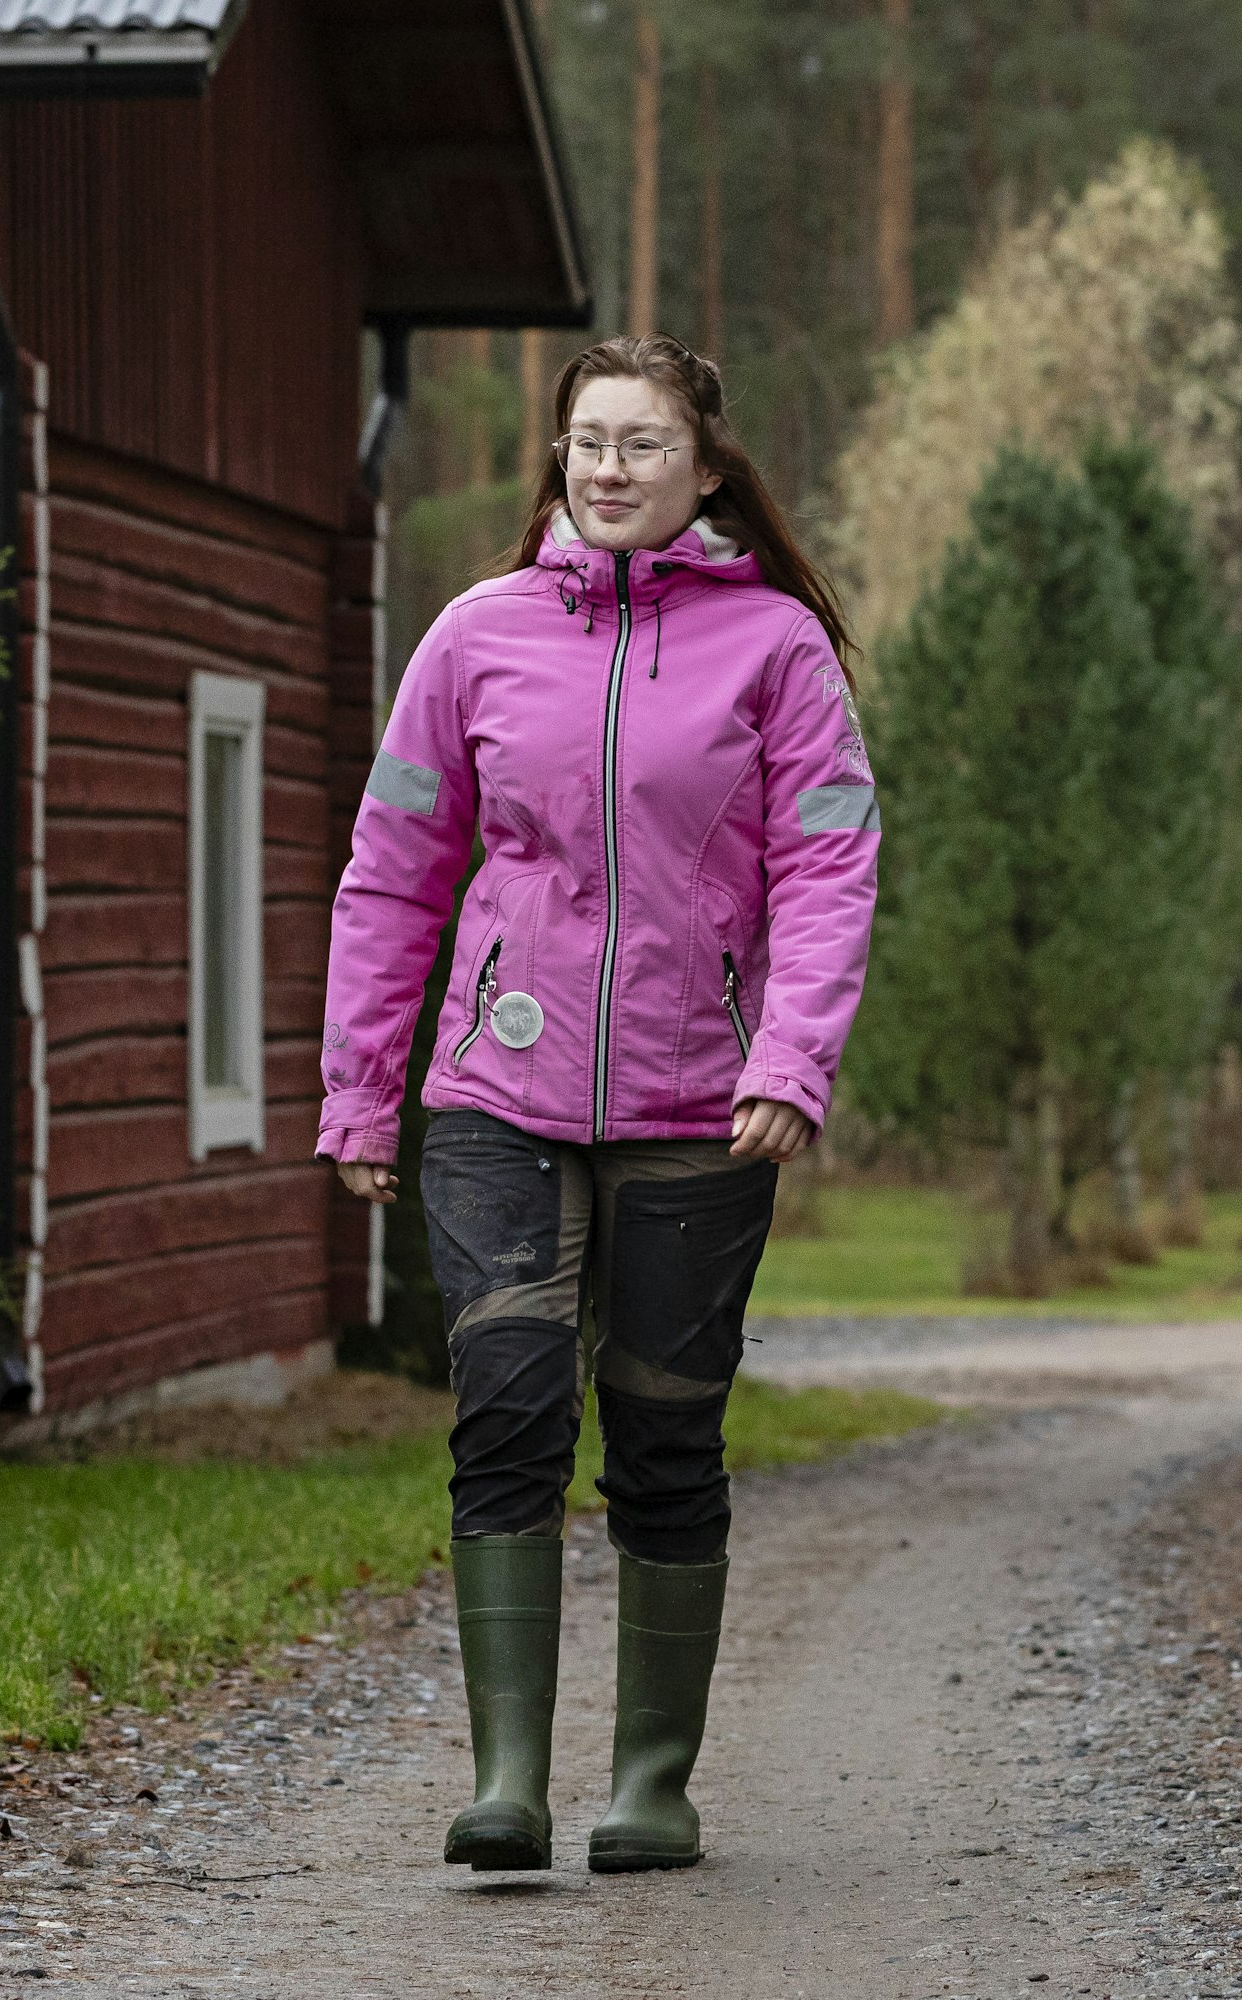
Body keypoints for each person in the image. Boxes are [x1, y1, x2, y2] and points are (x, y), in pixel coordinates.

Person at [315, 335, 880, 1874]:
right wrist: (363, 1091)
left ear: (706, 470)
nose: (611, 466)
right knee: (504, 1410)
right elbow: (392, 872)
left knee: (664, 1432)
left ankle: (652, 1786)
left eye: (643, 443)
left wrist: (792, 1062)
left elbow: (829, 868)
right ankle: (507, 1780)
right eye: (587, 441)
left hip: (703, 1097)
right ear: (558, 460)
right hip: (497, 1083)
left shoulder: (777, 652)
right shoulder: (476, 637)